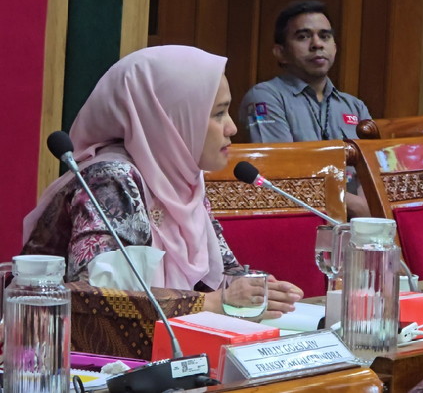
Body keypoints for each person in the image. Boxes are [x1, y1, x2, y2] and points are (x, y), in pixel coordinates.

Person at [21, 45, 303, 320]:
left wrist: (260, 290)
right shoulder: (111, 178)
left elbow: (225, 274)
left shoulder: (181, 178)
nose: (232, 128)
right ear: (168, 118)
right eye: (218, 113)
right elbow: (102, 302)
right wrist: (213, 303)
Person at [240, 0, 371, 218]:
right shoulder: (266, 97)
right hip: (300, 217)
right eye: (303, 37)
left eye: (325, 36)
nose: (317, 44)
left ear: (335, 47)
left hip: (359, 224)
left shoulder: (354, 106)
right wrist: (359, 208)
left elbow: (372, 172)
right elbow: (281, 173)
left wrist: (371, 210)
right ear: (280, 52)